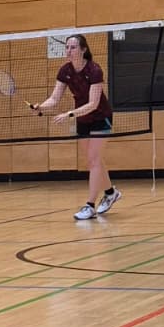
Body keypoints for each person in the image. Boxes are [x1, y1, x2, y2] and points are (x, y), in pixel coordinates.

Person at [31, 33, 120, 221]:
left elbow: (93, 104)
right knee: (94, 160)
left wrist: (69, 114)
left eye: (73, 47)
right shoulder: (65, 71)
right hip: (82, 119)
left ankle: (90, 206)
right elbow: (54, 98)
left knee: (94, 160)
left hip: (100, 117)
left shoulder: (94, 70)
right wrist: (41, 107)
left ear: (83, 50)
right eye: (67, 47)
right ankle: (111, 193)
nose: (68, 51)